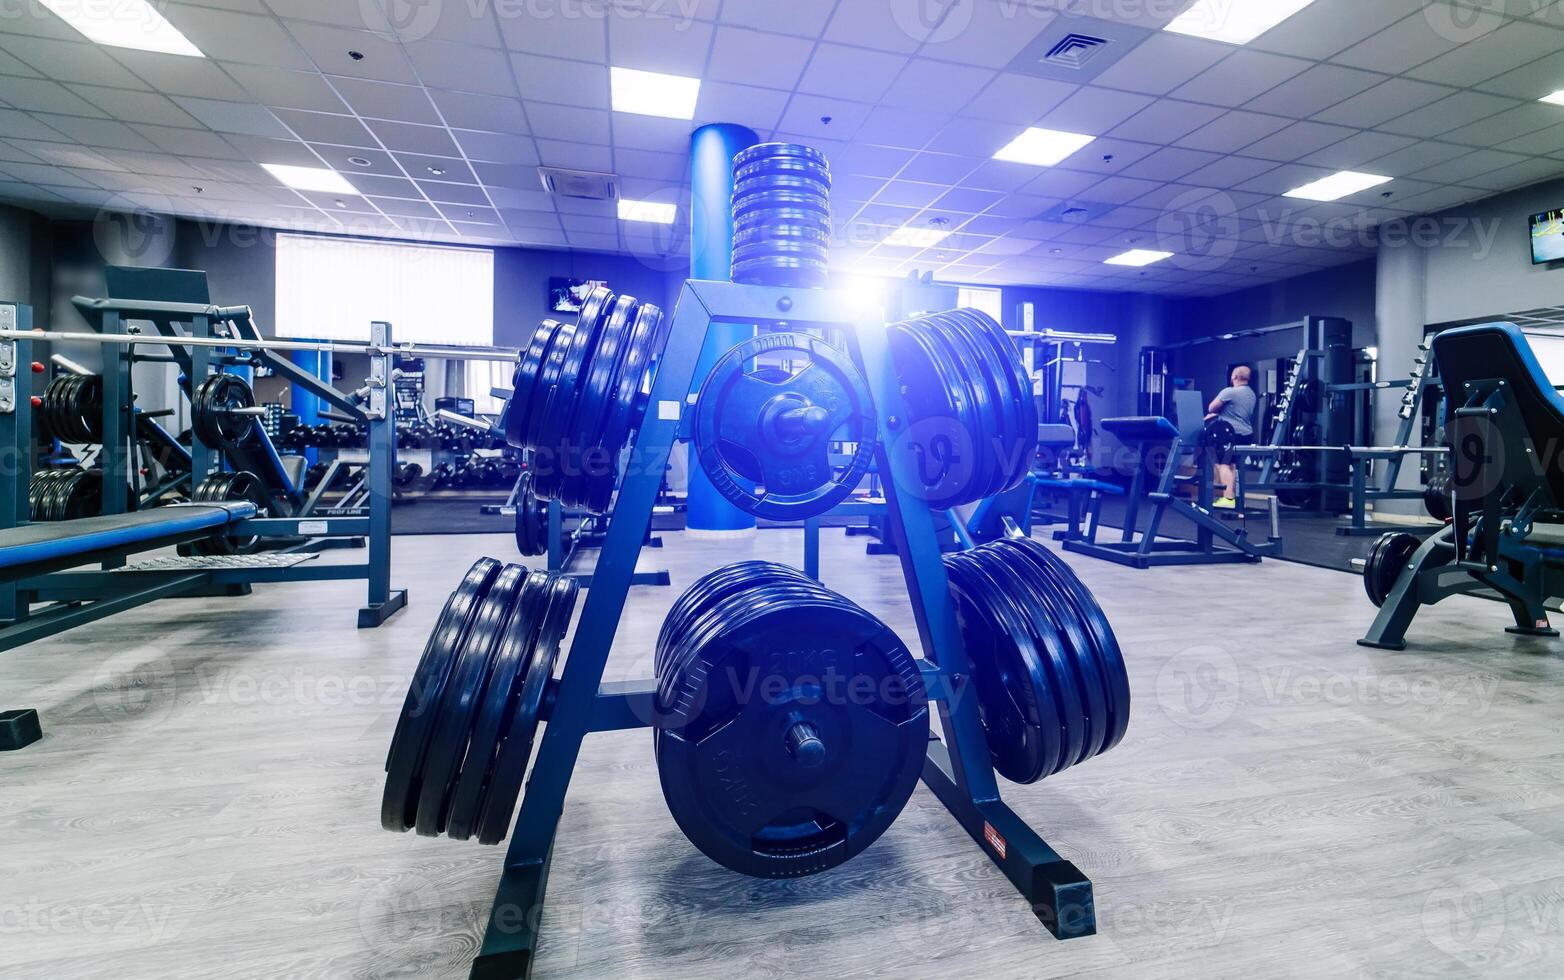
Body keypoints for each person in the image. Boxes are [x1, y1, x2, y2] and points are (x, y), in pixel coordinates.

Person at [1205, 366, 1256, 509]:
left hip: (1230, 434)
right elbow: (1235, 411)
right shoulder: (1251, 394)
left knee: (1223, 464)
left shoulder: (1230, 392)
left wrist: (1215, 413)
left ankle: (1228, 498)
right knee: (1233, 465)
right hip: (1246, 434)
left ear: (1233, 377)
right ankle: (1233, 498)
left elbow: (1211, 407)